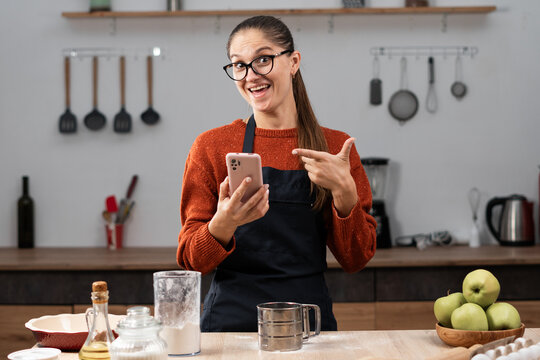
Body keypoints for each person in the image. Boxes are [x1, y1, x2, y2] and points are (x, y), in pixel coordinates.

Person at [177, 15, 377, 332]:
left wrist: (345, 195)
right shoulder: (211, 147)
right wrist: (225, 222)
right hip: (230, 328)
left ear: (293, 62)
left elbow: (356, 259)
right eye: (239, 65)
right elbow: (190, 260)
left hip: (309, 327)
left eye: (263, 60)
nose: (250, 75)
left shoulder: (335, 148)